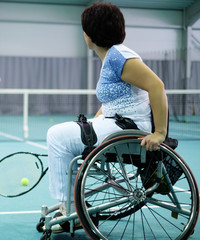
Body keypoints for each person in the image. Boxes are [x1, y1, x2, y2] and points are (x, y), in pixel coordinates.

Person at [46, 1, 168, 229]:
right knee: (67, 135)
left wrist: (160, 133)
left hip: (128, 128)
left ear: (90, 35)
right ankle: (71, 202)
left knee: (56, 135)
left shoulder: (117, 56)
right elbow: (111, 101)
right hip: (117, 123)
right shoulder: (113, 56)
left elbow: (157, 86)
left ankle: (69, 206)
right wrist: (92, 123)